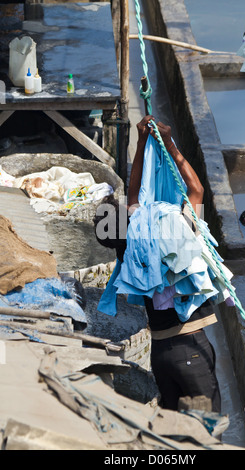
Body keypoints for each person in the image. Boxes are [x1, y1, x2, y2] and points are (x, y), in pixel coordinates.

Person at [94, 115, 221, 413]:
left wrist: (142, 144)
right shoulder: (171, 235)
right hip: (192, 351)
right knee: (209, 434)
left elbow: (135, 193)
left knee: (175, 434)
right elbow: (196, 190)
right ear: (128, 217)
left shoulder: (126, 252)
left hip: (160, 353)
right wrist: (171, 148)